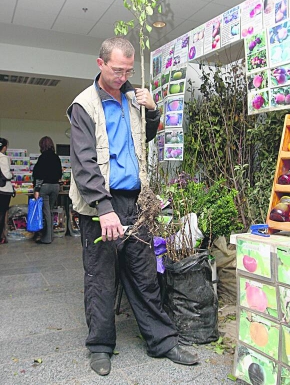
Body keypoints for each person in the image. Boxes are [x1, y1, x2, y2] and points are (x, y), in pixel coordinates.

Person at [67, 37, 198, 376]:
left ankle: (162, 341)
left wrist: (152, 109)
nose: (122, 76)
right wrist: (103, 207)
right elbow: (83, 162)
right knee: (101, 279)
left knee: (144, 276)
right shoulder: (84, 105)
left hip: (135, 203)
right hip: (100, 207)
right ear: (100, 64)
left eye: (127, 70)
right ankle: (100, 346)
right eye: (116, 70)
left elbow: (145, 138)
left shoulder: (131, 99)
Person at [32, 136, 62, 244]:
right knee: (50, 211)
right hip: (55, 187)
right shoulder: (56, 158)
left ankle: (46, 238)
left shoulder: (42, 157)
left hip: (44, 187)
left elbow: (39, 175)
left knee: (46, 213)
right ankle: (50, 235)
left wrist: (37, 189)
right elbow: (60, 174)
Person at [0, 138, 14, 244]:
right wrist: (11, 175)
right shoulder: (3, 158)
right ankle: (1, 237)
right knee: (2, 213)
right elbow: (6, 174)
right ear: (4, 147)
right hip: (4, 189)